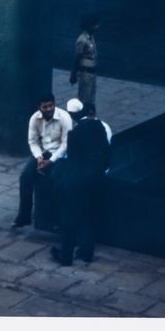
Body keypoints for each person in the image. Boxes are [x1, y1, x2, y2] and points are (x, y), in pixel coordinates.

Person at [51, 102, 112, 266]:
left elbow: (72, 161)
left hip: (77, 181)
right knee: (90, 217)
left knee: (70, 218)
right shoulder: (101, 128)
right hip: (96, 180)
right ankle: (87, 254)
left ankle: (66, 256)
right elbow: (107, 156)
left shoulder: (75, 133)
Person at [12, 95, 72, 230]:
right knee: (25, 177)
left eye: (51, 105)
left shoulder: (64, 117)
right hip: (42, 152)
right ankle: (24, 216)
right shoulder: (34, 119)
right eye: (45, 107)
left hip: (60, 155)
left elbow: (65, 144)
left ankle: (56, 220)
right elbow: (33, 141)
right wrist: (39, 158)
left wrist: (50, 161)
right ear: (39, 107)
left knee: (56, 180)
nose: (49, 109)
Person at [69, 16, 100, 111]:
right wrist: (73, 74)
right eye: (95, 25)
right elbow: (77, 57)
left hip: (92, 72)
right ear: (89, 26)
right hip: (85, 73)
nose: (97, 27)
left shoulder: (91, 37)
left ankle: (89, 115)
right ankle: (82, 116)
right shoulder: (82, 40)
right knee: (84, 98)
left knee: (91, 97)